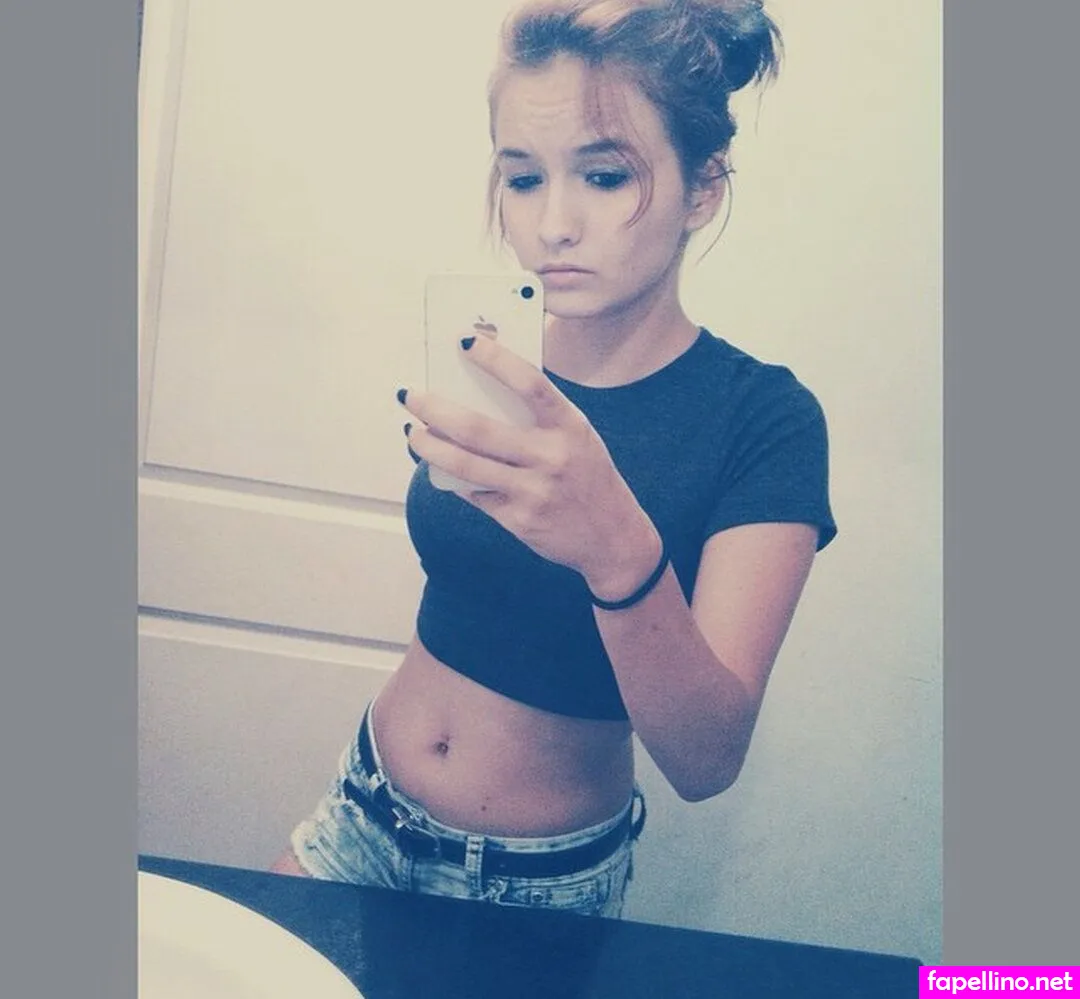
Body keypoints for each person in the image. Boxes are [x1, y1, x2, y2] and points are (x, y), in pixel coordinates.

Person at [272, 0, 836, 918]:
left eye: (605, 176)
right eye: (524, 178)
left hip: (537, 882)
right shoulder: (495, 360)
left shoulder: (764, 419)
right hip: (364, 809)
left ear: (703, 188)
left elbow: (706, 760)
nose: (553, 224)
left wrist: (617, 548)